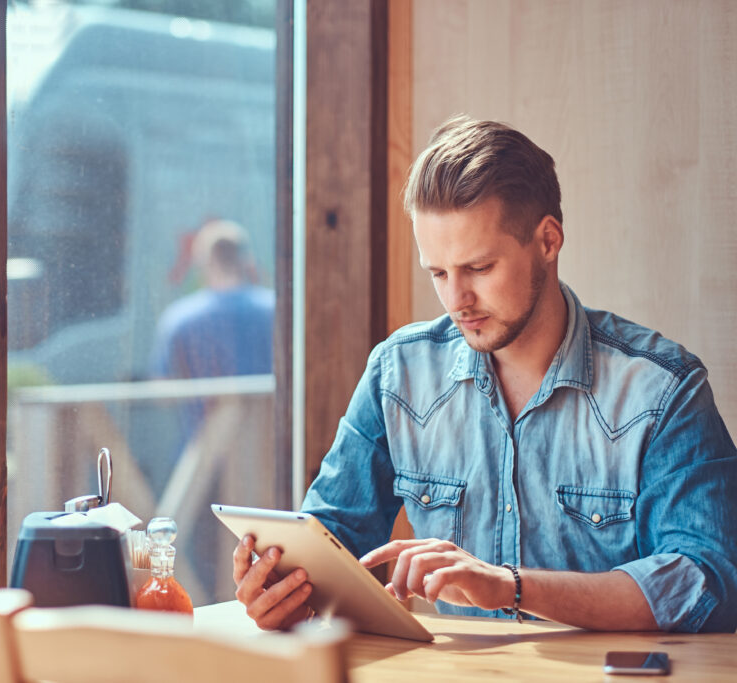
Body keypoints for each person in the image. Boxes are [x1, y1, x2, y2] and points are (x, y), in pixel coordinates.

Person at [232, 115, 737, 633]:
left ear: (547, 240)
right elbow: (331, 539)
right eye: (438, 274)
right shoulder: (398, 373)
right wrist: (283, 588)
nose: (457, 300)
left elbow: (708, 583)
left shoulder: (663, 389)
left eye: (478, 268)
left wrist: (510, 586)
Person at [150, 219, 274, 385]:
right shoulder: (276, 310)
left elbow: (162, 385)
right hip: (269, 411)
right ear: (247, 260)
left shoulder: (178, 318)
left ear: (201, 264)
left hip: (207, 412)